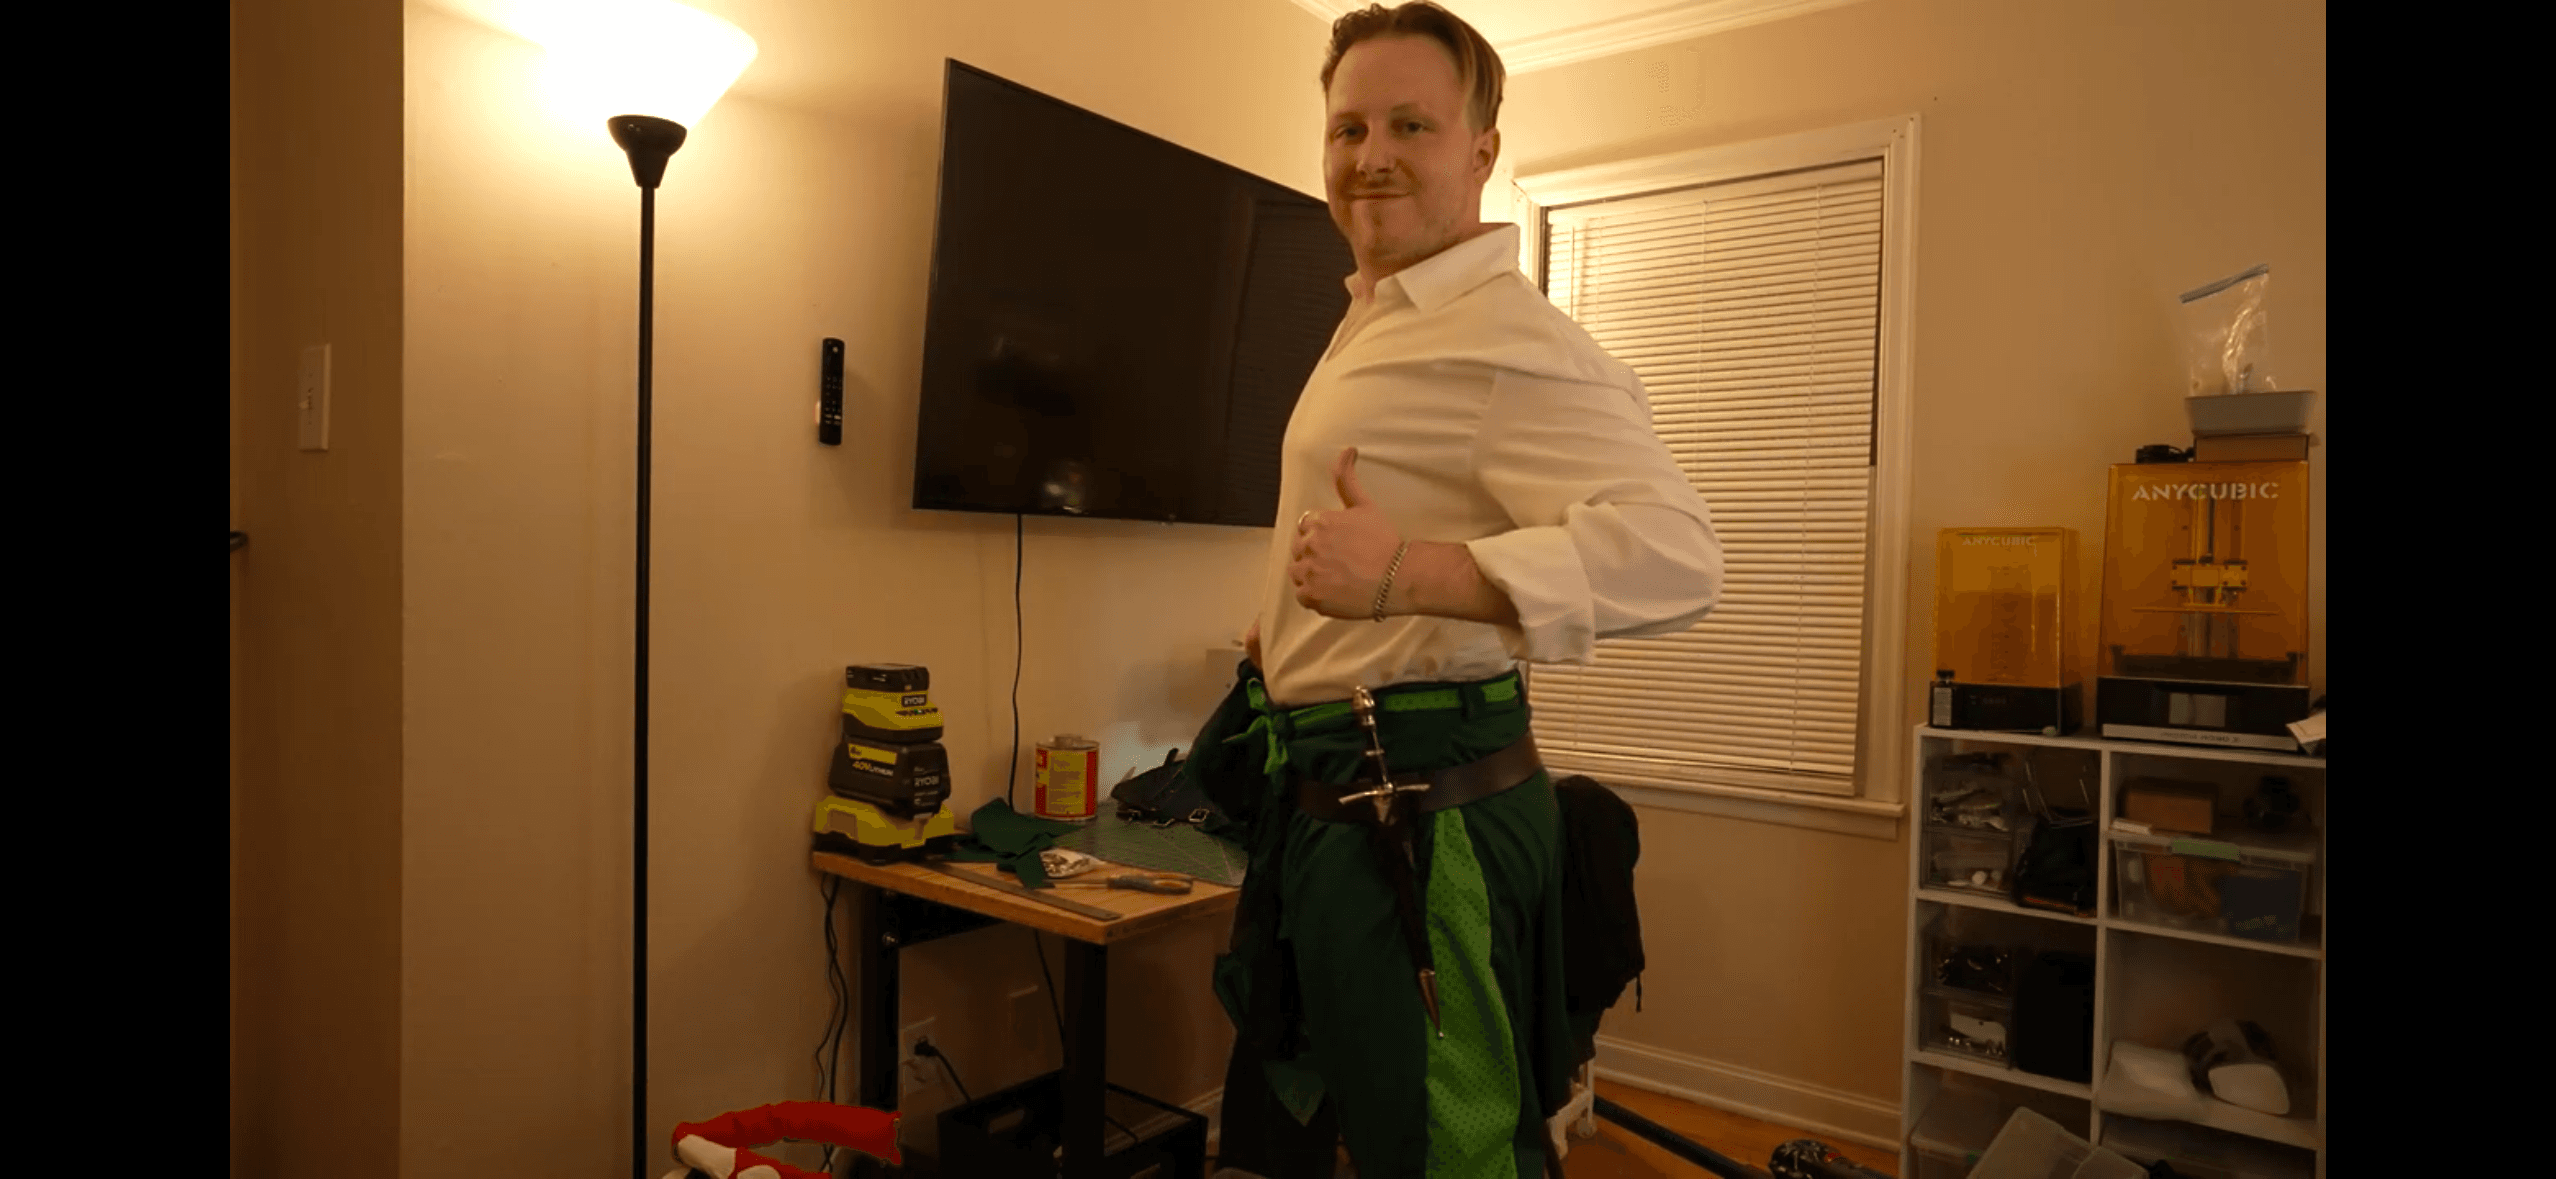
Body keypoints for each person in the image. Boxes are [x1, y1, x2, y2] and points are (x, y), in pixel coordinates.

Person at [1191, 4, 1725, 1178]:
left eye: (1411, 126)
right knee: (1344, 1131)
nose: (1370, 155)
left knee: (1454, 1156)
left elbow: (1681, 555)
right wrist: (1295, 636)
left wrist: (1406, 575)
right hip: (1336, 795)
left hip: (1421, 821)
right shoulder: (1377, 316)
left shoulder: (1503, 337)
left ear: (1482, 151)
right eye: (1348, 128)